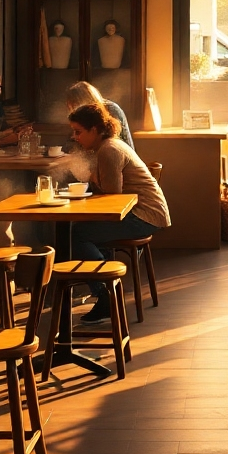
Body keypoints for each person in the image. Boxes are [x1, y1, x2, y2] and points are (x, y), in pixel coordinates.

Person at [67, 102, 170, 324]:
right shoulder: (109, 145)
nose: (74, 137)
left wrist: (88, 176)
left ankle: (105, 297)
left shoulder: (109, 150)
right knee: (86, 232)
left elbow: (112, 196)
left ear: (95, 130)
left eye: (78, 132)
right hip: (143, 211)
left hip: (144, 214)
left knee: (79, 234)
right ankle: (106, 289)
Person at [65, 81, 134, 149]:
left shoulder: (110, 110)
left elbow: (113, 144)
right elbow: (71, 143)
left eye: (74, 106)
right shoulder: (83, 117)